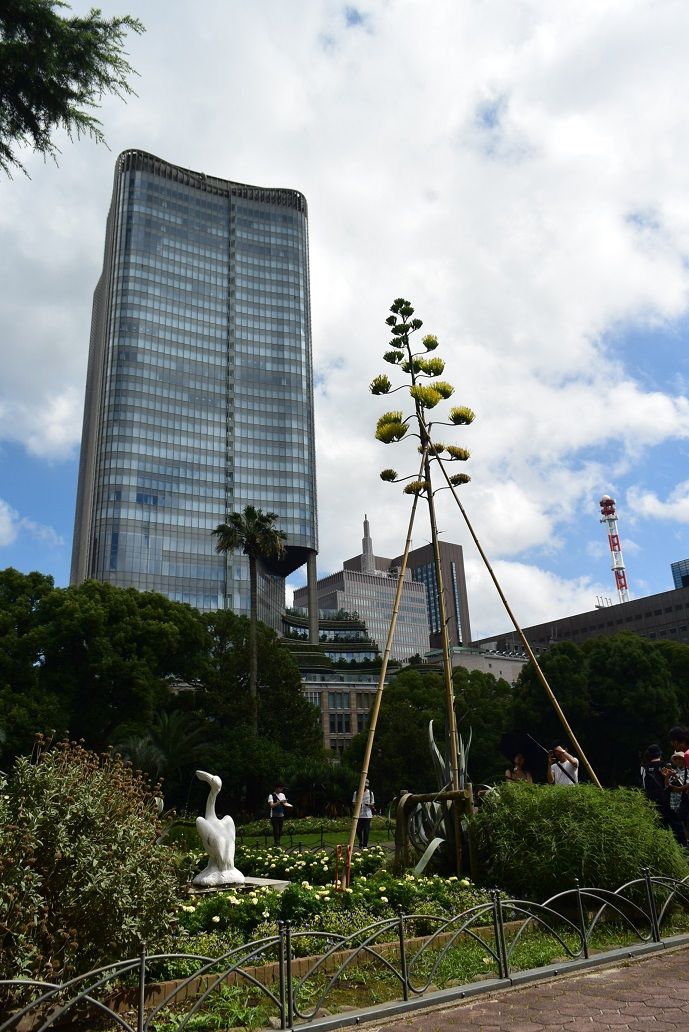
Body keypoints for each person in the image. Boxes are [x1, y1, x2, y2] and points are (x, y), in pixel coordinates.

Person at [352, 779, 375, 847]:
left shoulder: (370, 793)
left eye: (366, 786)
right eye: (363, 786)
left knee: (366, 831)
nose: (364, 787)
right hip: (359, 815)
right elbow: (353, 802)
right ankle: (361, 841)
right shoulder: (356, 793)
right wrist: (358, 804)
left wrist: (370, 805)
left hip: (367, 815)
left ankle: (365, 845)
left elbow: (373, 803)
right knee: (358, 830)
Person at [268, 782, 291, 846]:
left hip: (281, 815)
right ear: (276, 788)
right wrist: (279, 802)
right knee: (276, 831)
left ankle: (278, 842)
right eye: (280, 788)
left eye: (282, 788)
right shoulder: (271, 795)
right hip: (274, 816)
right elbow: (271, 805)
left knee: (280, 831)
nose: (281, 790)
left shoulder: (282, 795)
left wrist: (287, 804)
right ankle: (276, 844)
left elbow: (284, 803)